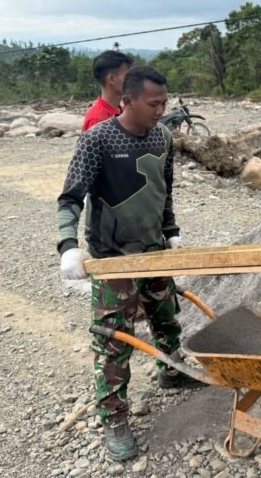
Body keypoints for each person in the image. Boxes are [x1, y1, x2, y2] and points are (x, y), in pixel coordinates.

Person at [57, 66, 196, 462]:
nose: (161, 110)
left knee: (166, 316)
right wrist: (68, 246)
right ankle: (114, 419)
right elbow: (70, 197)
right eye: (154, 104)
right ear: (128, 100)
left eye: (165, 103)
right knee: (113, 341)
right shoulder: (97, 140)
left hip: (153, 251)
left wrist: (171, 230)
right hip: (113, 259)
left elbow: (164, 190)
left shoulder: (163, 137)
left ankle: (172, 371)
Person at [82, 50, 133, 132]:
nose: (132, 81)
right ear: (112, 79)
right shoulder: (97, 119)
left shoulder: (123, 111)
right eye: (127, 76)